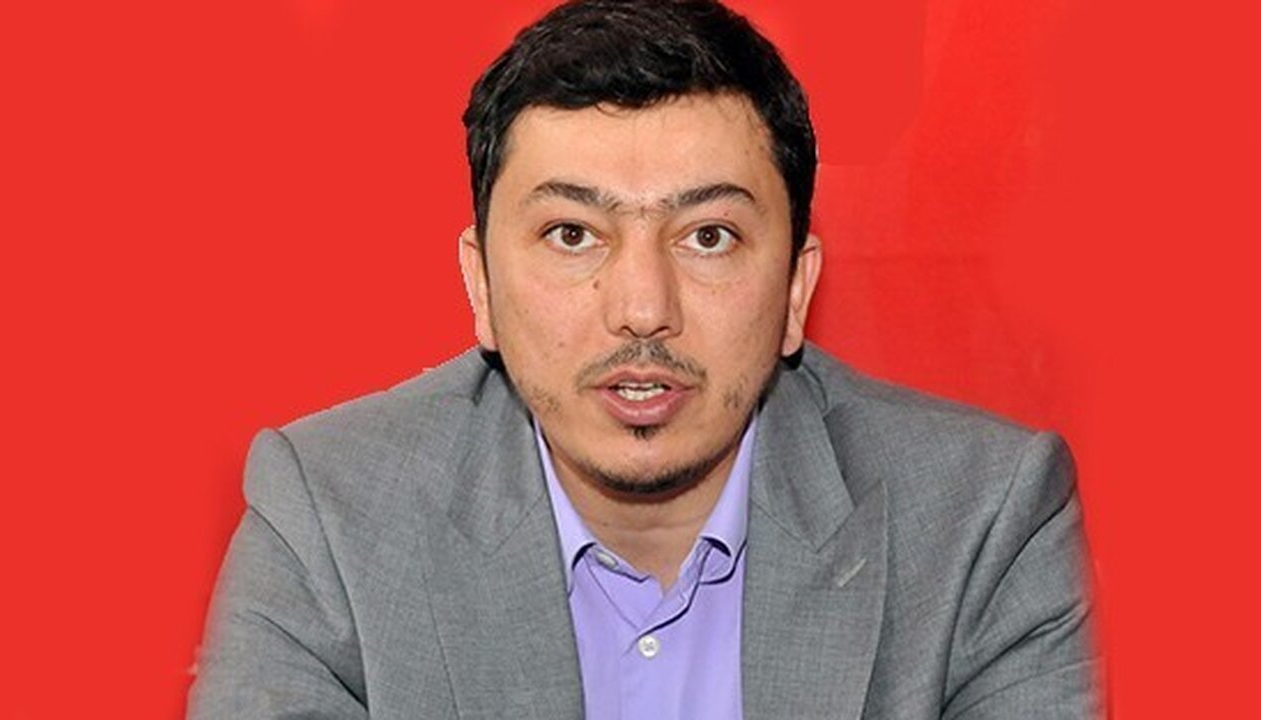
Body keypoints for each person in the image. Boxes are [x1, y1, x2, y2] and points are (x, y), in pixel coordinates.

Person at [188, 0, 1102, 717]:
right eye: (571, 234)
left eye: (708, 236)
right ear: (481, 286)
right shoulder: (330, 521)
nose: (641, 310)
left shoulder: (983, 524)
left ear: (795, 289)